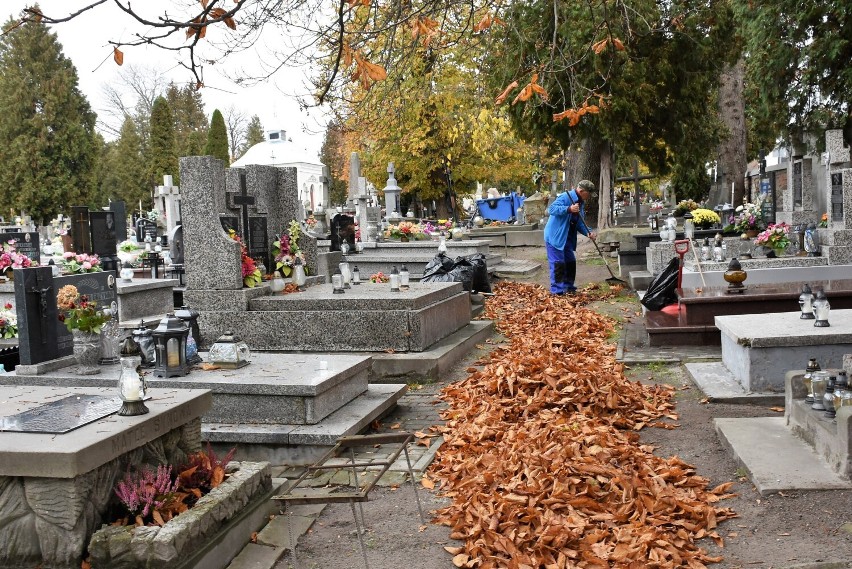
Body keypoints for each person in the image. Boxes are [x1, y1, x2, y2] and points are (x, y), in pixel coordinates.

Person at [543, 179, 597, 294]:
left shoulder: (581, 202)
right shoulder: (566, 197)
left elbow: (579, 222)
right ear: (582, 191)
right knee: (559, 264)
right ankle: (557, 291)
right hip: (556, 237)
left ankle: (568, 287)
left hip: (567, 237)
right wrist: (568, 209)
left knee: (570, 261)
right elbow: (551, 209)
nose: (590, 197)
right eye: (589, 194)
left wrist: (588, 232)